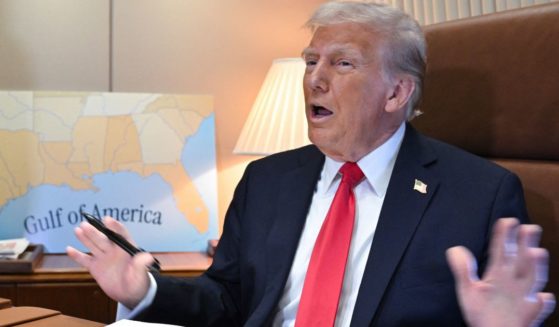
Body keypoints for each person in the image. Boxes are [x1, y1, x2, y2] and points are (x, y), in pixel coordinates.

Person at [67, 2, 555, 326]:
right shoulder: (266, 180)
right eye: (310, 61)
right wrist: (145, 290)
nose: (314, 80)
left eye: (342, 64)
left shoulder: (479, 194)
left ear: (396, 92)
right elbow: (228, 301)